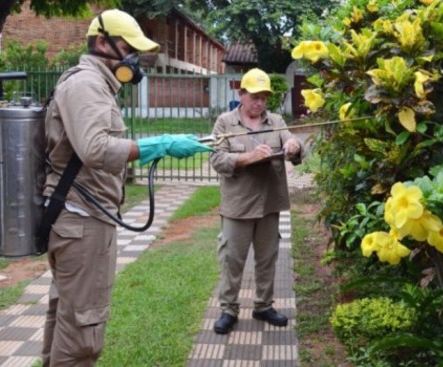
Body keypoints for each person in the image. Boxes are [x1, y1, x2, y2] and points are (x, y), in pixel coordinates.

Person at [41, 9, 212, 366]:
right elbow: (96, 149)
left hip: (82, 218)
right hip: (81, 221)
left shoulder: (97, 84)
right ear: (102, 43)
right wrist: (160, 145)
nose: (135, 59)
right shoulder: (86, 84)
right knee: (82, 336)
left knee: (69, 322)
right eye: (129, 48)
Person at [210, 68, 304, 334]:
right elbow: (217, 159)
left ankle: (263, 306)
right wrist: (247, 158)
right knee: (232, 259)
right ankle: (228, 309)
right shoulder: (225, 123)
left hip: (269, 203)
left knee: (267, 258)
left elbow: (293, 144)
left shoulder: (276, 121)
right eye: (254, 96)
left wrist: (295, 146)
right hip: (237, 206)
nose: (260, 102)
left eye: (264, 97)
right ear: (241, 94)